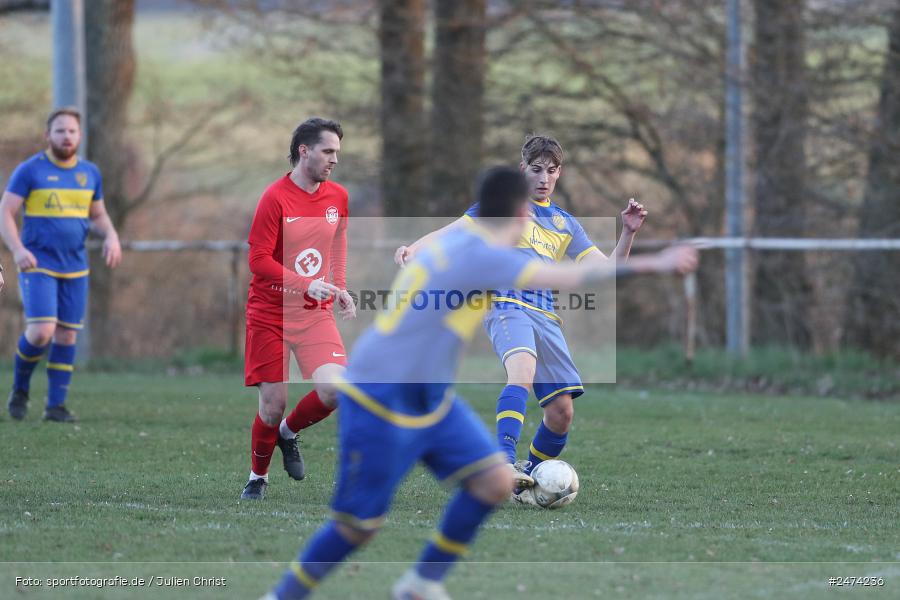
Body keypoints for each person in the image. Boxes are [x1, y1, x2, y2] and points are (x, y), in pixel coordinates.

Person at [261, 167, 697, 600]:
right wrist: (659, 262)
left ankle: (421, 583)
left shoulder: (465, 245)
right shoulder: (484, 254)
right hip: (380, 396)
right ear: (522, 213)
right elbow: (580, 277)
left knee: (492, 484)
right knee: (357, 528)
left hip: (430, 398)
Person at [395, 135, 646, 495]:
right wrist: (412, 249)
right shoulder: (502, 208)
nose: (544, 178)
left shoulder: (565, 223)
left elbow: (605, 274)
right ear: (522, 170)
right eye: (536, 169)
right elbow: (450, 232)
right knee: (522, 371)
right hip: (506, 304)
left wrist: (628, 233)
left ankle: (527, 477)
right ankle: (502, 462)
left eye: (552, 170)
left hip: (545, 313)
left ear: (559, 174)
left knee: (561, 413)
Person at [241, 117, 357, 500]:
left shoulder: (337, 197)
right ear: (303, 151)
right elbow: (258, 261)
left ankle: (288, 434)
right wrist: (308, 282)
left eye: (337, 152)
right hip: (270, 313)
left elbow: (338, 240)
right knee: (272, 406)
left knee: (335, 389)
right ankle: (258, 478)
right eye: (328, 151)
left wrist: (339, 286)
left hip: (313, 312)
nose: (334, 160)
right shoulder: (275, 198)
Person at [0, 107, 122, 423]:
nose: (66, 137)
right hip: (38, 262)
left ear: (79, 136)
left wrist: (110, 235)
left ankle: (55, 407)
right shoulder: (30, 171)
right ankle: (20, 388)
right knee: (41, 331)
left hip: (76, 266)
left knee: (67, 336)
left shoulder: (89, 173)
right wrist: (17, 249)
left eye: (71, 131)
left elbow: (97, 215)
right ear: (47, 135)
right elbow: (6, 212)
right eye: (60, 131)